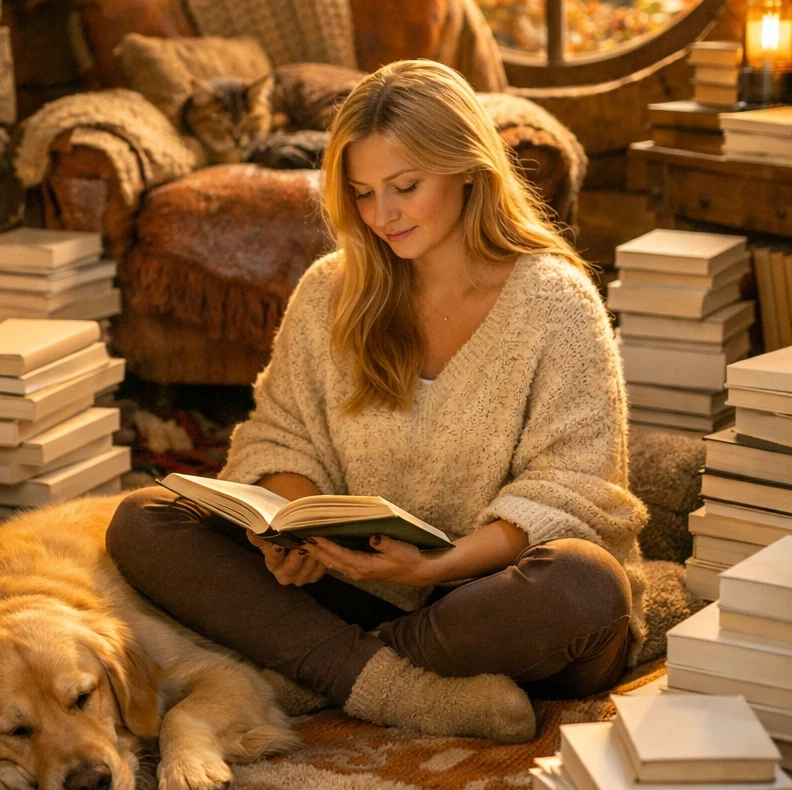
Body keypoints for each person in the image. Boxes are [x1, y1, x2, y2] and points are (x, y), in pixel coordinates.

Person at [109, 60, 648, 742]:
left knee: (585, 587)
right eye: (362, 193)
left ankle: (317, 668)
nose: (382, 215)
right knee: (145, 519)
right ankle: (399, 689)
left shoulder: (555, 302)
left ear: (468, 170)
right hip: (354, 586)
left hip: (489, 597)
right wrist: (294, 532)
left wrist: (439, 564)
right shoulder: (330, 290)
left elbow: (574, 489)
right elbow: (282, 435)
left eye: (405, 187)